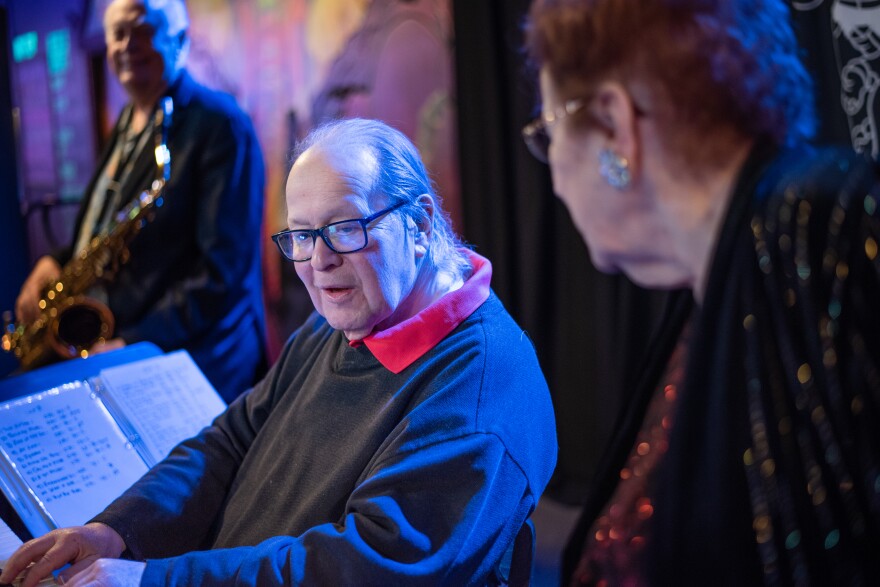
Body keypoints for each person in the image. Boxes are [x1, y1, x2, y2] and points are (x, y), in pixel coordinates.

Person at [0, 118, 558, 586]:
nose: (318, 260)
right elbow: (229, 441)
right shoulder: (341, 322)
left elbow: (364, 568)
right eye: (300, 235)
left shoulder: (480, 387)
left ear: (419, 224)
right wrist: (117, 530)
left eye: (344, 228)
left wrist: (152, 579)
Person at [523, 0, 880, 585]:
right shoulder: (716, 285)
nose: (555, 172)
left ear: (614, 125)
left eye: (548, 133)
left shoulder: (816, 226)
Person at [12, 0, 266, 402]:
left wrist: (136, 339)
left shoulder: (221, 125)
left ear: (179, 40)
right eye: (117, 33)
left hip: (194, 361)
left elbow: (222, 273)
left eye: (143, 30)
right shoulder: (131, 119)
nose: (127, 44)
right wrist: (55, 261)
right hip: (123, 340)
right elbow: (105, 225)